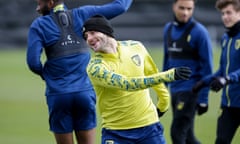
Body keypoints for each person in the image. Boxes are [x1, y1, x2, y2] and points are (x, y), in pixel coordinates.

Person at [26, 0, 133, 144]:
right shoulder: (83, 14)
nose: (37, 2)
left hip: (59, 95)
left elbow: (33, 62)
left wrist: (47, 75)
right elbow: (121, 6)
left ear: (50, 3)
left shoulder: (39, 25)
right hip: (85, 93)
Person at [82, 15, 192, 144]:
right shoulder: (95, 67)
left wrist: (163, 102)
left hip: (149, 128)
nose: (89, 39)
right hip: (116, 133)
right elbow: (127, 84)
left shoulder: (136, 47)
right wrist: (169, 75)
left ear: (105, 30)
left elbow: (152, 72)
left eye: (92, 33)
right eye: (86, 36)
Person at [162, 0, 213, 144]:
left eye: (189, 9)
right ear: (174, 7)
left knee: (177, 133)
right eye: (182, 8)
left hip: (191, 91)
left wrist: (203, 99)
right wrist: (162, 88)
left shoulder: (199, 32)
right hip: (174, 91)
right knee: (189, 137)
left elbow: (207, 68)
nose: (185, 12)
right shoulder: (168, 29)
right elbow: (167, 61)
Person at [193, 0, 240, 143]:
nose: (225, 16)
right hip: (228, 105)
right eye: (223, 13)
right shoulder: (226, 38)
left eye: (229, 13)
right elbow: (222, 69)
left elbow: (231, 74)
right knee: (221, 141)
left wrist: (227, 79)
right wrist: (203, 82)